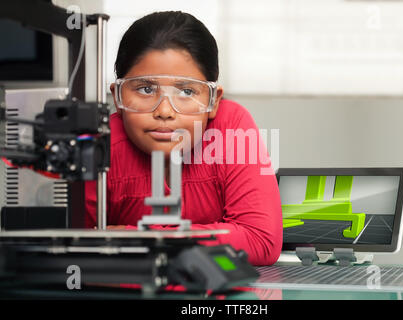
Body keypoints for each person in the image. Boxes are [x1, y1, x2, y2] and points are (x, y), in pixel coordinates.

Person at [84, 11, 282, 266]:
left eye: (187, 91)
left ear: (213, 101)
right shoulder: (101, 144)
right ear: (118, 97)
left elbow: (261, 240)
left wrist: (129, 239)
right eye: (145, 89)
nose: (164, 112)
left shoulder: (232, 128)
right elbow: (70, 243)